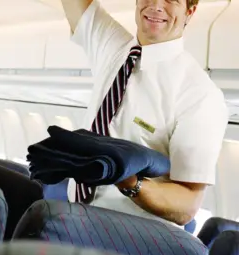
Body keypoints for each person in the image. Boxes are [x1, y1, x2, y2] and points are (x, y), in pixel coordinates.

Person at [63, 0, 229, 228]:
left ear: (189, 11)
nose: (156, 5)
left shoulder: (200, 94)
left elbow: (187, 205)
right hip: (74, 218)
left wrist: (127, 181)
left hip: (132, 241)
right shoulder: (113, 47)